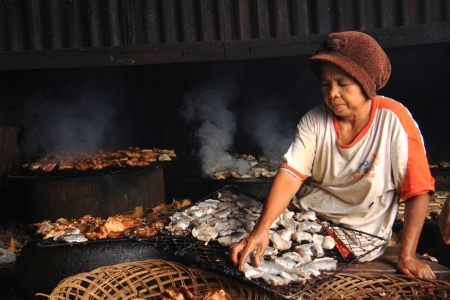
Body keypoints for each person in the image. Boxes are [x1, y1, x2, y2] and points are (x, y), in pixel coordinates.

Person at [230, 31, 436, 279]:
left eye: (343, 84)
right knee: (240, 249)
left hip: (355, 234)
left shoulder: (393, 120)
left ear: (366, 84)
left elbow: (418, 189)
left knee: (273, 268)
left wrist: (407, 256)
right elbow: (291, 173)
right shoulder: (314, 120)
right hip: (304, 217)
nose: (332, 93)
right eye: (326, 84)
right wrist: (262, 229)